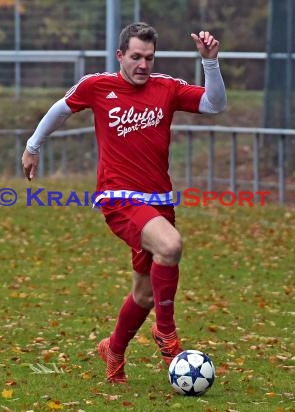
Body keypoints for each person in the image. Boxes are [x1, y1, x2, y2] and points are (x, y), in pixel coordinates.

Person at [21, 22, 227, 383]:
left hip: (159, 203)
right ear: (121, 55)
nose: (143, 65)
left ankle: (113, 350)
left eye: (148, 57)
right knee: (171, 244)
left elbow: (214, 105)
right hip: (118, 198)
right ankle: (166, 334)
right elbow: (60, 109)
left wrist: (210, 62)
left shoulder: (167, 88)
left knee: (145, 294)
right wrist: (33, 146)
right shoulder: (98, 86)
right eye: (135, 57)